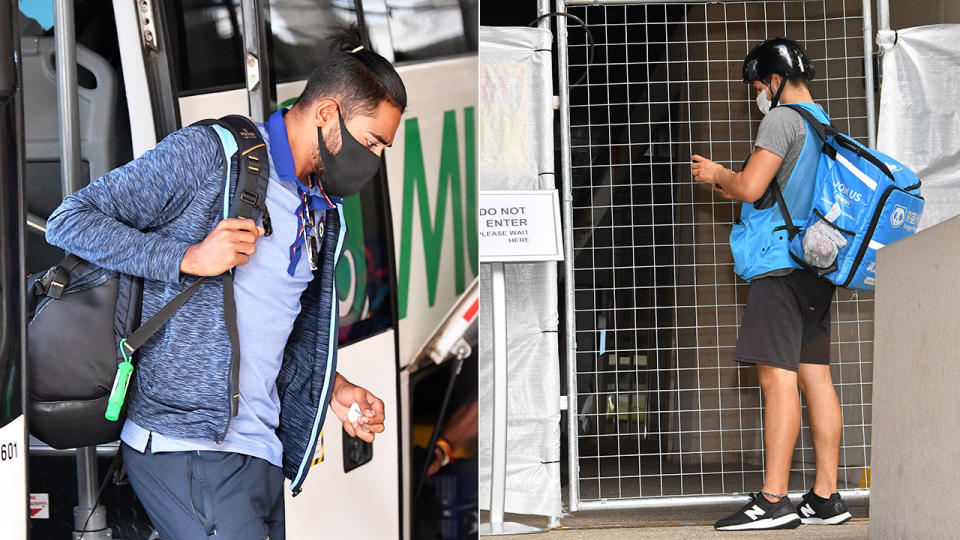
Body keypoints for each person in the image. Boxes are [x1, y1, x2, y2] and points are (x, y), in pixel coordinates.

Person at [45, 26, 405, 539]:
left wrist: (334, 388)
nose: (374, 159)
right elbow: (70, 220)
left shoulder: (318, 205)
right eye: (372, 141)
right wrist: (188, 256)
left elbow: (275, 326)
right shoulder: (210, 156)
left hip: (260, 450)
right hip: (186, 446)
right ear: (327, 114)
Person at [689, 38, 852, 531]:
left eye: (759, 85)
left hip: (778, 264)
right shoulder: (824, 122)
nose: (758, 94)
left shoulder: (781, 120)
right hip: (815, 266)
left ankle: (773, 500)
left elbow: (752, 187)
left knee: (775, 377)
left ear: (776, 80)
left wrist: (716, 173)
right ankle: (825, 497)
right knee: (816, 378)